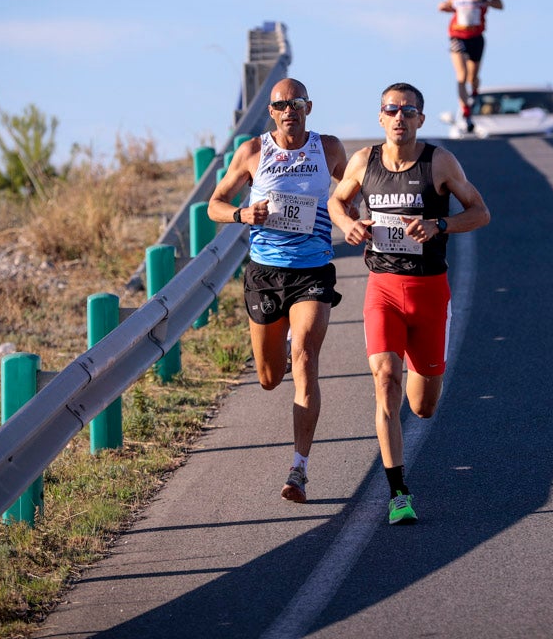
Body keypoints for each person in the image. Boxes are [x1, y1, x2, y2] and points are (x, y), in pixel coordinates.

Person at [327, 82, 490, 524]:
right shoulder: (364, 162)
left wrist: (439, 224)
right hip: (382, 289)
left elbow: (480, 211)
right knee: (385, 382)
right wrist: (349, 225)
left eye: (408, 110)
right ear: (380, 117)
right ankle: (398, 493)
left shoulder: (439, 162)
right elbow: (336, 201)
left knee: (423, 406)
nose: (399, 117)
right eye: (390, 109)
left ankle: (406, 458)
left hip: (430, 292)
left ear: (420, 119)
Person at [208, 78, 348, 503]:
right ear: (271, 111)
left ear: (309, 106)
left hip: (313, 271)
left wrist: (352, 210)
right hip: (266, 273)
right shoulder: (253, 152)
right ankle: (281, 347)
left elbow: (352, 185)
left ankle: (299, 469)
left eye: (298, 103)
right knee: (269, 378)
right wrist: (242, 213)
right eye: (282, 104)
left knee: (305, 354)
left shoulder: (328, 148)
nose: (290, 110)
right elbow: (214, 203)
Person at [437, 0, 503, 134]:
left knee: (472, 78)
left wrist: (484, 0)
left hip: (477, 36)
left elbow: (500, 4)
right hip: (457, 35)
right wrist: (444, 7)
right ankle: (466, 112)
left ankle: (473, 94)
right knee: (461, 76)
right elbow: (451, 6)